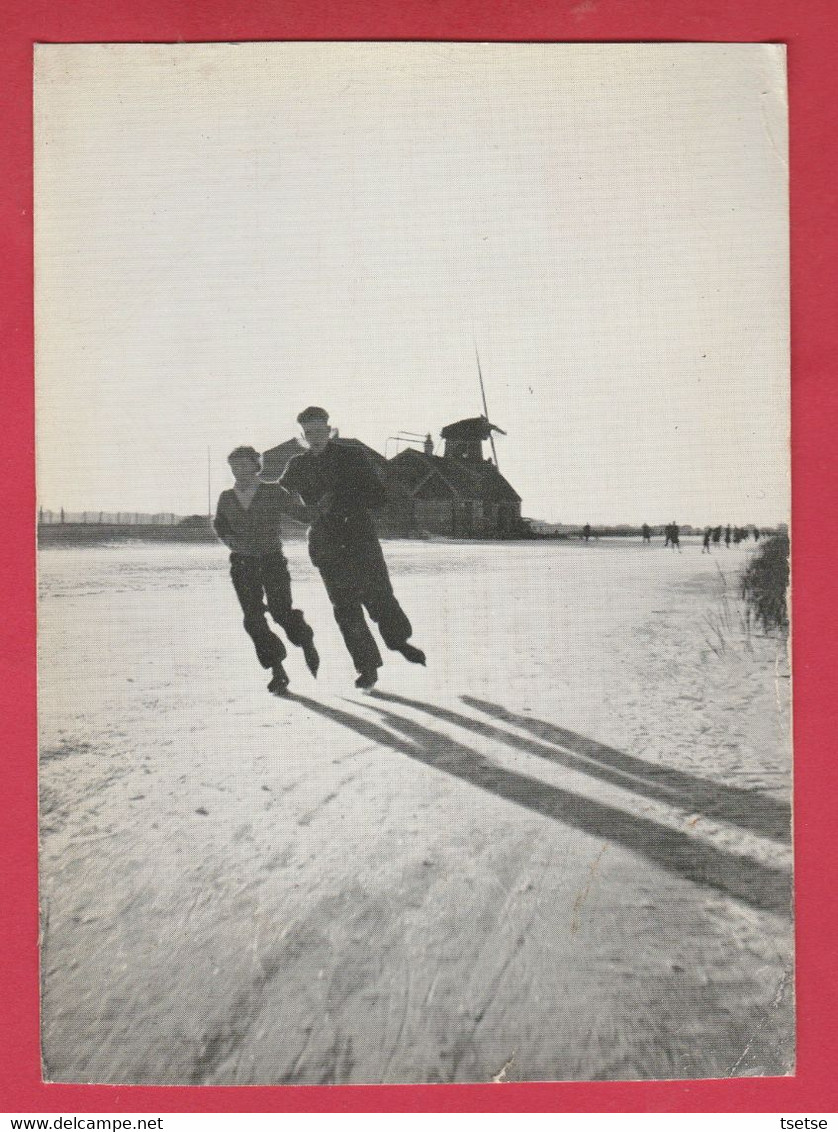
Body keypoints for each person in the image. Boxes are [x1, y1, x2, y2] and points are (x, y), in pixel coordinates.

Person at [280, 406, 425, 689]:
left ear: (329, 429)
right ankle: (367, 667)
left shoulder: (352, 456)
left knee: (379, 597)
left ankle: (399, 641)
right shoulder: (297, 465)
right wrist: (309, 513)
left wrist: (346, 497)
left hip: (360, 539)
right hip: (326, 544)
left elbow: (378, 496)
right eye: (309, 433)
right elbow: (281, 499)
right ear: (302, 435)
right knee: (345, 608)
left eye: (320, 431)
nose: (315, 437)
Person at [214, 445, 319, 695]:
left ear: (256, 465)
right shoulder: (226, 497)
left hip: (272, 561)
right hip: (242, 564)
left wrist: (320, 502)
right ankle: (277, 670)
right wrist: (230, 541)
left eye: (243, 465)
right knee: (253, 619)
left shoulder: (273, 492)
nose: (238, 471)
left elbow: (302, 514)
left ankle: (304, 639)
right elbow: (220, 524)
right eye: (234, 466)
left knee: (281, 612)